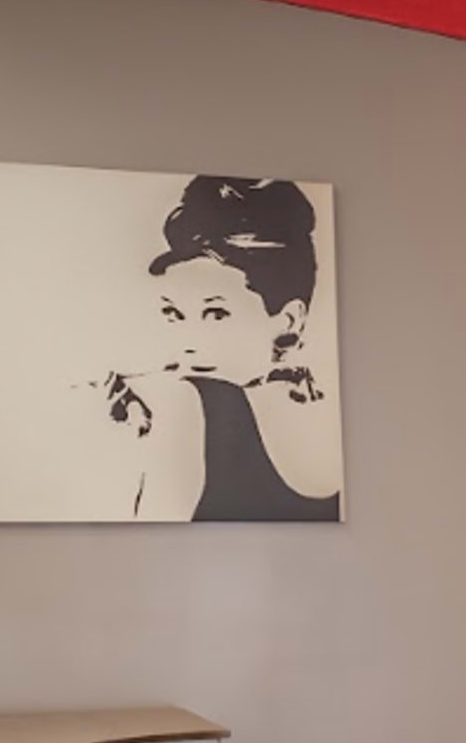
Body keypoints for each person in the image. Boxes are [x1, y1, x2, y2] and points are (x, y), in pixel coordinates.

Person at [103, 175, 342, 520]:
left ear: (289, 321)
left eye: (216, 313)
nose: (188, 344)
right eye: (174, 313)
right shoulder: (332, 413)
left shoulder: (183, 403)